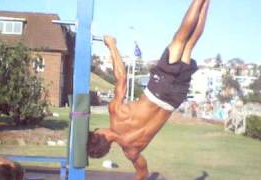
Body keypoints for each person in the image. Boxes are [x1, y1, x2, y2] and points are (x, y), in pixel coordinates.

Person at [87, 0, 210, 179]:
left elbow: (143, 174)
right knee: (180, 39)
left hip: (174, 99)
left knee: (189, 45)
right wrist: (112, 45)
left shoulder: (132, 152)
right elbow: (121, 78)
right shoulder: (116, 114)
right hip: (158, 89)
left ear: (107, 148)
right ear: (97, 134)